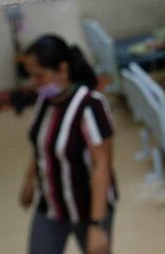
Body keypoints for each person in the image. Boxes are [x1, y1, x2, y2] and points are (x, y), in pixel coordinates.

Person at [18, 35, 117, 254]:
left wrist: (97, 225)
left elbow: (102, 167)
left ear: (62, 70)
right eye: (31, 76)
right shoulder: (45, 101)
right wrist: (28, 181)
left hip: (88, 208)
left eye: (40, 76)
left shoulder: (90, 105)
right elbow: (42, 146)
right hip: (51, 206)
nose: (34, 83)